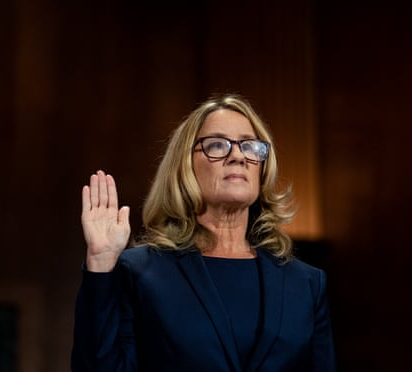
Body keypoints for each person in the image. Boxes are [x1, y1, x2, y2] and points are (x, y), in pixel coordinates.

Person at [71, 94, 337, 371]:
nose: (237, 156)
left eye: (250, 146)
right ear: (185, 165)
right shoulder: (140, 273)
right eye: (218, 145)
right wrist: (100, 264)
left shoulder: (306, 284)